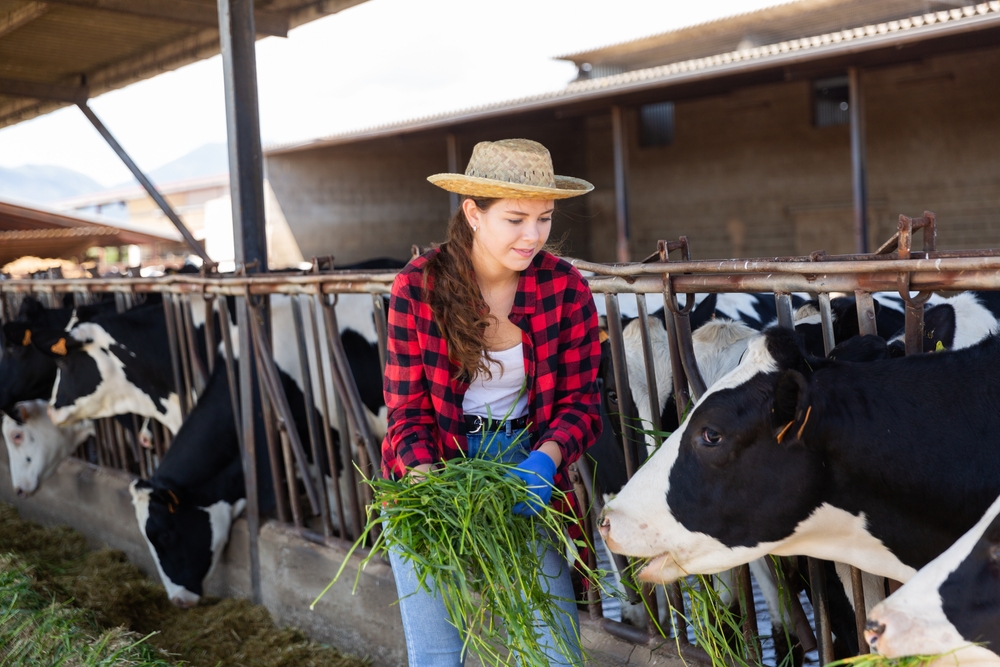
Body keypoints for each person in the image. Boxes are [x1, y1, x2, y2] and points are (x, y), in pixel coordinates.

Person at [380, 138, 603, 667]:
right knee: (438, 655)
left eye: (544, 219)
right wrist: (426, 482)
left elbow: (582, 403)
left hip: (524, 464)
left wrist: (545, 461)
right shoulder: (419, 286)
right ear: (473, 214)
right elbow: (406, 410)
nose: (534, 236)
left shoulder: (565, 288)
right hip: (431, 469)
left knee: (552, 652)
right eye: (516, 219)